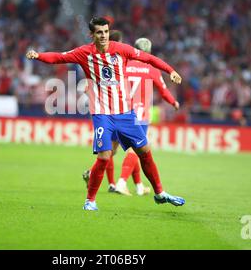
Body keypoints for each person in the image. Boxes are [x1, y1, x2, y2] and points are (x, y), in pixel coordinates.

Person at [26, 16, 185, 211]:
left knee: (145, 152)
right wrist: (38, 55)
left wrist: (171, 71)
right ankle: (90, 201)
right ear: (92, 34)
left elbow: (149, 58)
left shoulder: (121, 49)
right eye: (99, 32)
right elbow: (59, 57)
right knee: (104, 156)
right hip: (102, 114)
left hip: (126, 113)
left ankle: (160, 193)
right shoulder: (84, 53)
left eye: (106, 32)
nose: (104, 36)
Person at [83, 36, 180, 197]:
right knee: (137, 151)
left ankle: (137, 185)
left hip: (118, 111)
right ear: (149, 52)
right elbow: (163, 91)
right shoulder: (151, 69)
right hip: (139, 114)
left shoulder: (123, 64)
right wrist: (174, 102)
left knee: (110, 151)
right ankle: (121, 182)